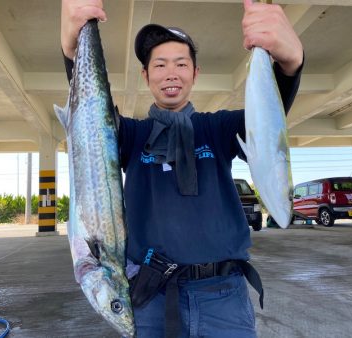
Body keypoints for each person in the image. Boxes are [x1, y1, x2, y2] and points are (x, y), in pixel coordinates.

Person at [61, 0, 303, 337]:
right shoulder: (132, 135)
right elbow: (92, 123)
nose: (170, 73)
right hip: (150, 295)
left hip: (224, 298)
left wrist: (290, 65)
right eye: (159, 64)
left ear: (195, 72)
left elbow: (266, 122)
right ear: (145, 75)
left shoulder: (217, 129)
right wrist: (72, 53)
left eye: (180, 63)